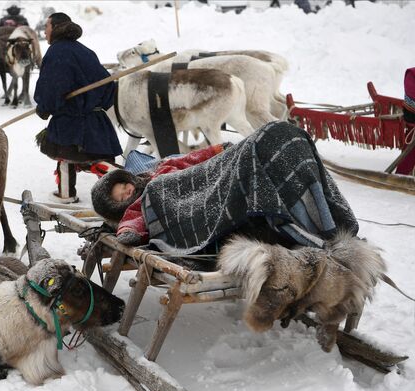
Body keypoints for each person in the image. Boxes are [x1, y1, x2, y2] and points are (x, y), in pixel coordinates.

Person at [91, 121, 358, 257]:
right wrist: (126, 233)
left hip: (211, 178)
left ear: (128, 177)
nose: (127, 191)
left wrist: (220, 151)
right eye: (122, 197)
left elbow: (191, 160)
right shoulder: (145, 199)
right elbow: (132, 223)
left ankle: (319, 216)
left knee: (276, 135)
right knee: (159, 187)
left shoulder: (160, 168)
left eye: (123, 185)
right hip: (188, 202)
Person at [34, 12, 122, 204]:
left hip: (70, 121)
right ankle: (116, 188)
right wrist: (94, 104)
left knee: (66, 155)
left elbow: (52, 87)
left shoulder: (56, 52)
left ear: (55, 27)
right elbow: (107, 85)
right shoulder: (85, 51)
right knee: (94, 157)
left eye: (47, 27)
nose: (45, 31)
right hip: (96, 120)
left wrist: (44, 107)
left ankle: (124, 180)